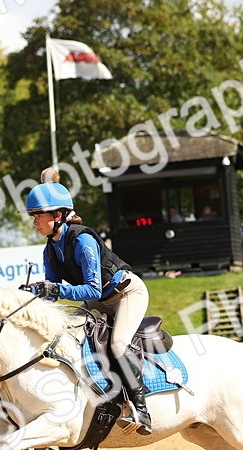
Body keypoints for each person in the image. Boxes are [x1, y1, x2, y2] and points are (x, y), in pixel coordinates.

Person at [21, 168, 153, 434]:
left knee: (116, 344)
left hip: (126, 294)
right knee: (71, 339)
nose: (34, 221)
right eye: (33, 216)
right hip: (98, 302)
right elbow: (54, 293)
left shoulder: (82, 240)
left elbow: (92, 290)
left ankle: (140, 409)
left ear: (57, 216)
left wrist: (55, 289)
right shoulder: (50, 250)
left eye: (38, 215)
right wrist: (35, 294)